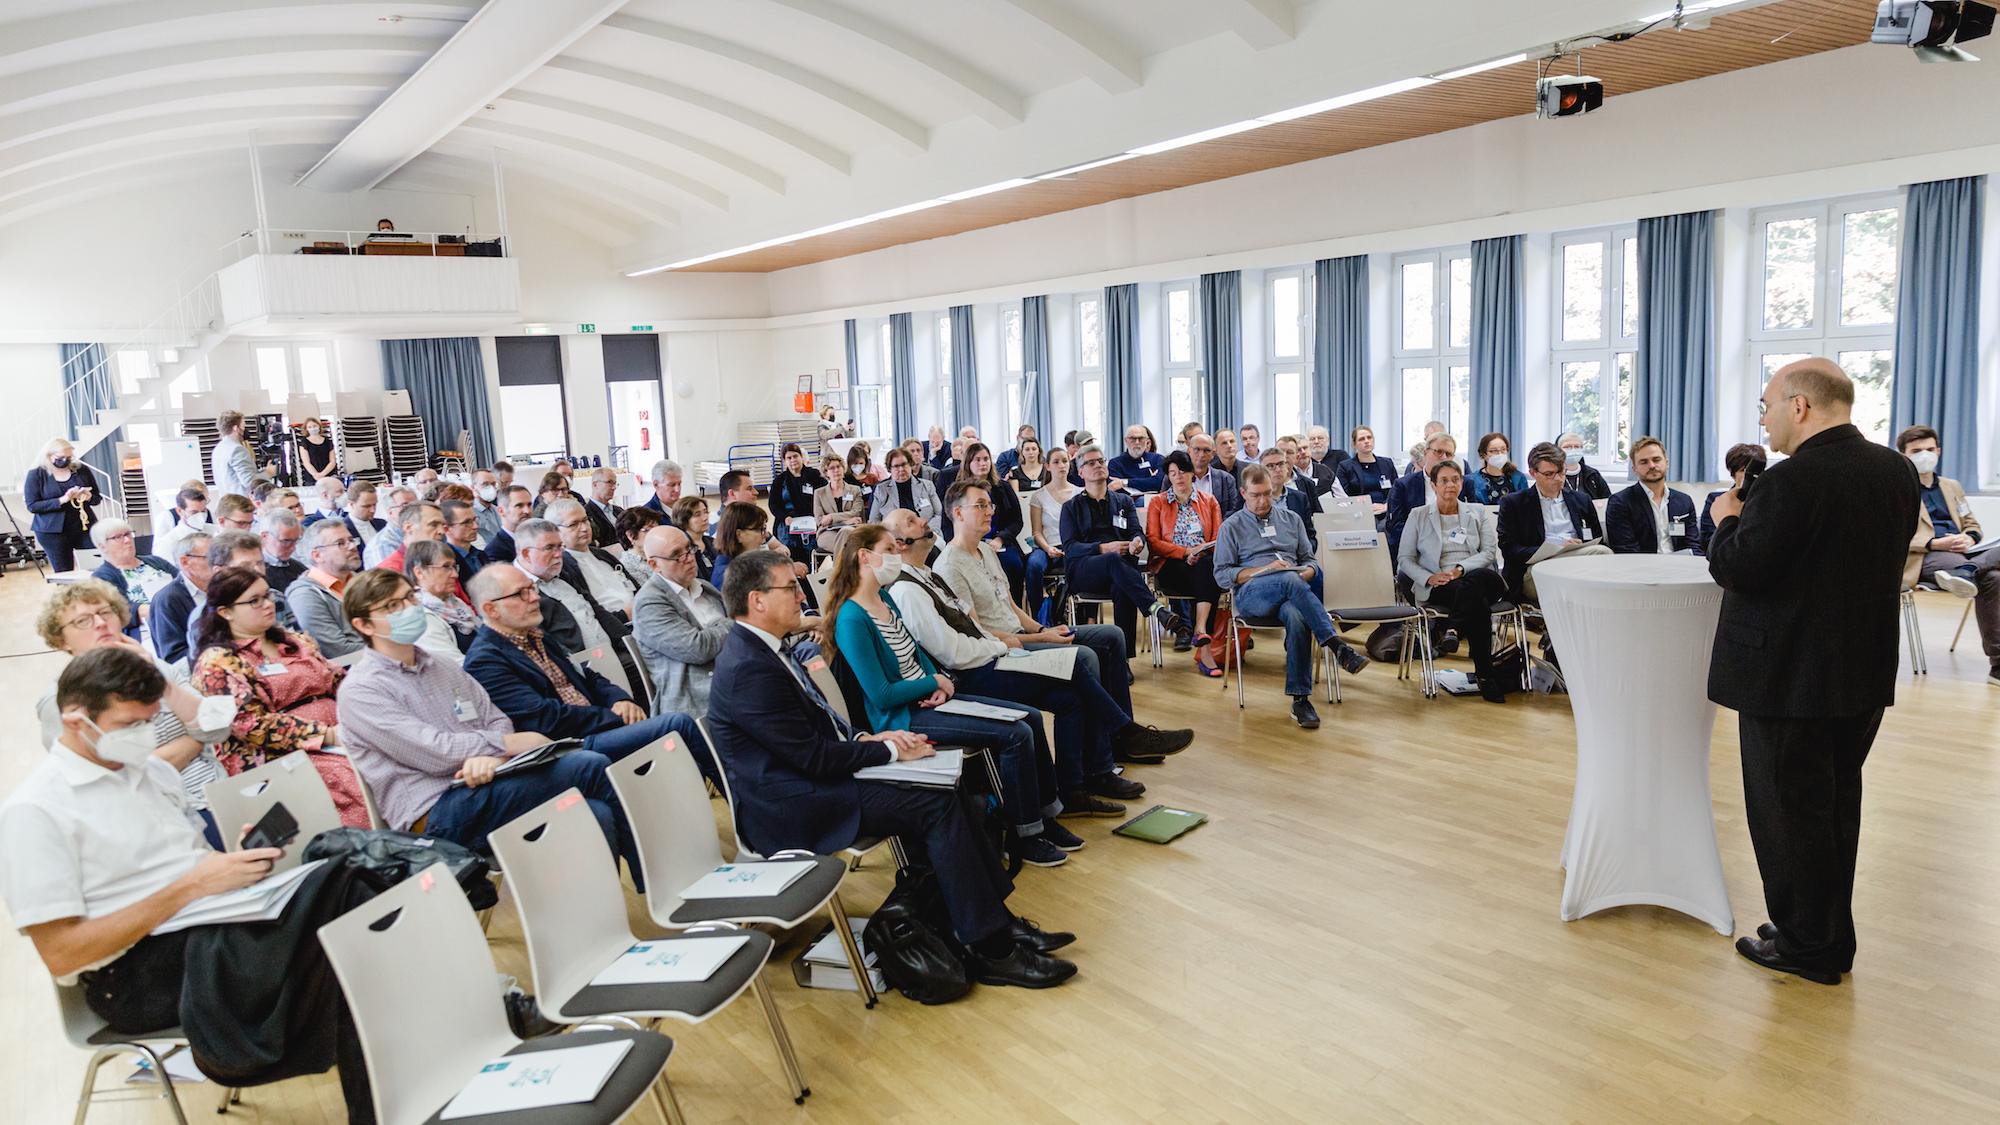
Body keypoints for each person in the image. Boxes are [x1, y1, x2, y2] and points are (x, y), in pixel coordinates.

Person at [2, 646, 377, 1119]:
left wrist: (232, 867)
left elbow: (193, 868)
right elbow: (64, 953)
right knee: (347, 911)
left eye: (147, 722)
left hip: (210, 927)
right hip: (136, 976)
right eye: (127, 726)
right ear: (75, 721)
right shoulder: (35, 812)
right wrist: (193, 887)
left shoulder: (152, 772)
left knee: (352, 883)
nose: (143, 736)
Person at [705, 550, 1078, 986]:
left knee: (951, 786)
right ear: (758, 601)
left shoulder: (761, 649)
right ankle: (992, 948)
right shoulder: (749, 666)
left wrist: (869, 739)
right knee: (935, 802)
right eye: (789, 588)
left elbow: (814, 734)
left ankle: (991, 924)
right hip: (793, 805)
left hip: (812, 780)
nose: (799, 595)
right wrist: (890, 753)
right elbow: (814, 759)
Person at [1705, 358, 1919, 985]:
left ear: (1799, 405)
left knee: (1787, 814)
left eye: (1767, 404)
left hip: (1787, 676)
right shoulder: (1896, 470)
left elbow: (1744, 568)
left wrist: (1726, 521)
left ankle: (1808, 946)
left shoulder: (1791, 482)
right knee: (1832, 807)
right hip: (1859, 673)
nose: (1764, 418)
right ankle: (1822, 928)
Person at [335, 569, 643, 880]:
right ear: (363, 624)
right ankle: (655, 877)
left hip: (492, 777)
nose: (409, 609)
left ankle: (598, 913)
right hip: (435, 811)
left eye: (410, 598)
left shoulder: (439, 665)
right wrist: (503, 746)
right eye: (392, 607)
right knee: (587, 765)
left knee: (595, 811)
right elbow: (434, 751)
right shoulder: (362, 690)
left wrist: (493, 756)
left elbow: (495, 718)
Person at [886, 505, 1167, 816]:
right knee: (1077, 661)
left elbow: (979, 623)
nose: (989, 510)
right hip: (975, 670)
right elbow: (951, 652)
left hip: (993, 651)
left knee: (1072, 695)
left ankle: (1075, 788)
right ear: (900, 543)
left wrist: (1033, 632)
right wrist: (1005, 644)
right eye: (912, 521)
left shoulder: (930, 574)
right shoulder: (912, 587)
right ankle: (1126, 734)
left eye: (989, 504)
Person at [825, 525, 1069, 867]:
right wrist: (933, 682)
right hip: (904, 715)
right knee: (1016, 734)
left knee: (1029, 715)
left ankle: (1045, 816)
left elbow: (915, 652)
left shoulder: (884, 597)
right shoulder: (852, 618)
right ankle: (1026, 834)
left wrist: (937, 681)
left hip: (929, 698)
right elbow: (881, 695)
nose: (896, 557)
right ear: (865, 557)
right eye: (889, 550)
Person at [35, 581, 236, 842]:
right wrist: (196, 738)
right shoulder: (60, 698)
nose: (100, 623)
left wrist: (157, 678)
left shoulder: (156, 666)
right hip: (151, 817)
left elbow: (219, 729)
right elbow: (110, 777)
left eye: (106, 612)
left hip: (218, 788)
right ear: (62, 640)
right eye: (83, 621)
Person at [462, 563, 708, 764]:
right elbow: (546, 719)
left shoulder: (536, 635)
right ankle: (740, 804)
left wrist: (618, 699)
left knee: (676, 724)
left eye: (531, 589)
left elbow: (587, 676)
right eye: (521, 593)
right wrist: (612, 716)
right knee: (677, 723)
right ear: (491, 609)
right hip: (569, 744)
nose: (535, 597)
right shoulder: (486, 660)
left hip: (595, 726)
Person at [191, 565, 367, 827]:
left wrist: (365, 715)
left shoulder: (292, 642)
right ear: (225, 612)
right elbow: (249, 723)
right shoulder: (217, 662)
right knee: (351, 779)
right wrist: (326, 735)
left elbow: (337, 679)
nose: (267, 605)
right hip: (281, 756)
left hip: (343, 731)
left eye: (268, 596)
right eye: (254, 601)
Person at [1216, 466, 1369, 730]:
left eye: (1267, 494)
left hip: (1292, 588)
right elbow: (1221, 575)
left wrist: (1308, 571)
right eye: (1256, 495)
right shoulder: (1231, 526)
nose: (1263, 501)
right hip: (1253, 593)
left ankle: (1301, 699)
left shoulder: (1292, 520)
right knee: (1288, 578)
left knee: (1297, 615)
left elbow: (1310, 562)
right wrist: (1263, 571)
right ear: (1243, 493)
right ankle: (1335, 645)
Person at [1397, 461, 1510, 703]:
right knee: (1474, 599)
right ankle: (1485, 675)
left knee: (1475, 581)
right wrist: (1428, 577)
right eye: (1445, 480)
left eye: (1456, 479)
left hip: (1479, 574)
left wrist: (1461, 569)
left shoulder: (1477, 511)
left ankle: (1454, 629)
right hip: (1440, 583)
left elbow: (1489, 552)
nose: (1451, 485)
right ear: (1434, 485)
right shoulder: (1418, 515)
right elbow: (1404, 559)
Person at [1060, 444, 1190, 648]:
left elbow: (1136, 532)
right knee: (1114, 561)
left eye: (1101, 461)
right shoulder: (1071, 507)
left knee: (1123, 586)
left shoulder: (1124, 502)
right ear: (1081, 471)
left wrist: (1138, 542)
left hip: (1120, 571)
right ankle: (1156, 609)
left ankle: (1124, 659)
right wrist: (1103, 548)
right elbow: (1070, 548)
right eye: (1091, 463)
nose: (1098, 465)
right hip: (1085, 572)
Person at [1895, 425, 1995, 683]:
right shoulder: (1897, 488)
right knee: (1993, 578)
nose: (1925, 455)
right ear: (1904, 455)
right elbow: (1892, 533)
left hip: (1962, 552)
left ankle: (1968, 571)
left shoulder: (1952, 486)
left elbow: (1972, 524)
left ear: (1938, 451)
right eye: (1916, 451)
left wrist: (1968, 537)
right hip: (1926, 555)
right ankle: (1999, 665)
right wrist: (1933, 543)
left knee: (1983, 566)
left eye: (1929, 449)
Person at [630, 525, 731, 722]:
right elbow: (698, 648)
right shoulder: (649, 603)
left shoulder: (705, 587)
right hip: (696, 693)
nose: (689, 557)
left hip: (732, 671)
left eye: (689, 548)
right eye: (677, 555)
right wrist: (736, 622)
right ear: (654, 565)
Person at [1495, 442, 1611, 603]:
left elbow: (1597, 537)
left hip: (1577, 563)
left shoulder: (1581, 500)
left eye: (1561, 472)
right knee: (1600, 554)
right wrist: (1555, 548)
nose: (1558, 479)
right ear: (1533, 473)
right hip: (1536, 569)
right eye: (1549, 474)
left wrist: (1578, 545)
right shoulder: (1514, 503)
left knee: (1602, 554)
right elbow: (1509, 549)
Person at [1145, 452, 1225, 677]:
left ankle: (1199, 632)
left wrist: (1199, 553)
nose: (1178, 477)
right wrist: (1185, 553)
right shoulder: (1158, 503)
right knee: (1209, 579)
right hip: (1171, 566)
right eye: (1172, 473)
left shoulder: (1209, 501)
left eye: (1182, 471)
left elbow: (1218, 538)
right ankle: (1204, 648)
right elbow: (1154, 542)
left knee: (1207, 567)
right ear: (1168, 477)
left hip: (1203, 563)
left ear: (1192, 474)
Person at [511, 517, 630, 662]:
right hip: (583, 670)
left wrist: (630, 645)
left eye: (560, 546)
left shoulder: (562, 574)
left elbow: (598, 612)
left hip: (612, 654)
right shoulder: (515, 592)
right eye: (549, 548)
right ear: (526, 554)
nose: (558, 554)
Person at [948, 442, 1027, 598]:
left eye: (986, 459)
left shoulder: (1003, 487)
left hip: (1000, 542)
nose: (983, 463)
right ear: (968, 463)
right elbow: (949, 523)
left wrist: (1000, 539)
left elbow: (1017, 521)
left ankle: (1014, 611)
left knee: (1013, 565)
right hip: (969, 543)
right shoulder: (958, 491)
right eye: (977, 460)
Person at [284, 518, 366, 659]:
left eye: (351, 540)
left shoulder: (360, 581)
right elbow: (338, 652)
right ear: (317, 555)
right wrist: (394, 649)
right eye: (341, 543)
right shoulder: (305, 595)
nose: (352, 546)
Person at [1606, 436, 1703, 556]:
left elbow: (1693, 545)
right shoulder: (1620, 502)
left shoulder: (1684, 501)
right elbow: (1626, 550)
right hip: (1642, 569)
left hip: (1681, 566)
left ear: (1666, 463)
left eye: (1656, 460)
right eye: (1644, 462)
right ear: (1634, 469)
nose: (1652, 465)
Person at [547, 497, 640, 616]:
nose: (585, 528)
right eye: (573, 524)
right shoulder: (562, 568)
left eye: (585, 520)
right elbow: (590, 615)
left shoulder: (602, 554)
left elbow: (636, 589)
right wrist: (625, 615)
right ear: (555, 531)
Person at [86, 519, 176, 639]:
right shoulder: (102, 577)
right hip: (144, 632)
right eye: (118, 537)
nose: (128, 540)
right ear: (102, 546)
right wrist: (161, 610)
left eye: (128, 534)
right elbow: (119, 611)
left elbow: (184, 583)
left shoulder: (155, 562)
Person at [23, 437, 102, 572]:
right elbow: (32, 506)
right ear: (49, 456)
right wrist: (63, 500)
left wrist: (88, 496)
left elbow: (97, 498)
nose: (66, 460)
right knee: (64, 572)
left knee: (95, 567)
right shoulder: (36, 474)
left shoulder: (81, 470)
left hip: (84, 527)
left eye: (69, 457)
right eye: (61, 457)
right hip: (52, 532)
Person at [404, 539, 481, 662]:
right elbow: (456, 666)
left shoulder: (455, 603)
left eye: (454, 567)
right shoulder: (420, 618)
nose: (455, 574)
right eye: (446, 567)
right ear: (419, 572)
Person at [1387, 433, 1460, 560]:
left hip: (1455, 550)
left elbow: (1469, 524)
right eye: (1439, 452)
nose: (1443, 458)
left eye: (1448, 454)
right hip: (1417, 551)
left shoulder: (1463, 484)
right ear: (1426, 453)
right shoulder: (1403, 485)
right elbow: (1395, 526)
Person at [1024, 446, 1075, 623]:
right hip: (1046, 545)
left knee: (1081, 563)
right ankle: (1039, 618)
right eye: (1056, 462)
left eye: (1065, 461)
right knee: (1033, 565)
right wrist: (1048, 548)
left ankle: (1077, 614)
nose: (1062, 466)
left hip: (1072, 545)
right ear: (1047, 466)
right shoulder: (1038, 496)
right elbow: (1036, 532)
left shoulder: (1079, 493)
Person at [149, 527, 212, 666]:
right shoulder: (167, 599)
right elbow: (173, 656)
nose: (218, 563)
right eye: (210, 557)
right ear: (185, 562)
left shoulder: (222, 589)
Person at [1701, 443, 1768, 547]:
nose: (1749, 476)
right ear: (1733, 473)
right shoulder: (1716, 500)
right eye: (1743, 470)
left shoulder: (1767, 501)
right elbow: (1707, 541)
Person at [770, 442, 826, 564]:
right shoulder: (779, 481)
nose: (793, 460)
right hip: (789, 520)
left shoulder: (814, 475)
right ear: (784, 461)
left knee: (814, 549)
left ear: (801, 457)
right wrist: (784, 517)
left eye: (795, 456)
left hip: (812, 519)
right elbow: (773, 505)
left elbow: (825, 497)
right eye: (789, 458)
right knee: (790, 548)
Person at [869, 446, 944, 534]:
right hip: (895, 540)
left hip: (928, 534)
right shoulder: (881, 490)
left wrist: (926, 531)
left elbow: (939, 513)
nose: (901, 469)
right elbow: (874, 521)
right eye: (896, 466)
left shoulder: (927, 486)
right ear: (890, 469)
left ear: (911, 465)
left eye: (904, 464)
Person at [1260, 448, 1323, 552]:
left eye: (1281, 464)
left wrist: (1303, 554)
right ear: (1262, 471)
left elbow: (1310, 537)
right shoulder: (1256, 499)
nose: (1277, 469)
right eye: (1271, 466)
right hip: (1265, 557)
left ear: (1287, 467)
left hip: (1297, 557)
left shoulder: (1300, 498)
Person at [1333, 425, 1397, 524]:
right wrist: (1364, 506)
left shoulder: (1387, 463)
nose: (1366, 441)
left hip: (1386, 511)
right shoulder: (1345, 466)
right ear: (1354, 444)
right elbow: (1342, 496)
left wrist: (1386, 505)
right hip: (1359, 513)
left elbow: (1395, 489)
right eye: (1361, 439)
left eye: (1369, 437)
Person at [813, 451, 867, 560]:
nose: (836, 470)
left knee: (846, 532)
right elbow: (820, 520)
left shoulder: (854, 490)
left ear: (843, 468)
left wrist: (831, 517)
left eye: (838, 466)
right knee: (848, 545)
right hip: (827, 533)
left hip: (853, 530)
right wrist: (845, 521)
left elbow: (856, 512)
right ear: (826, 472)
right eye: (832, 468)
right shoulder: (819, 493)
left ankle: (838, 574)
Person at [211, 410, 272, 500]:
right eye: (243, 426)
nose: (245, 429)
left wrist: (261, 472)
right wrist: (268, 473)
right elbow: (249, 481)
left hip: (227, 501)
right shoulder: (237, 449)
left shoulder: (218, 449)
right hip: (242, 503)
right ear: (236, 428)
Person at [375, 500, 444, 579]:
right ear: (408, 527)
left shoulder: (443, 562)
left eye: (443, 525)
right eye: (433, 525)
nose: (442, 531)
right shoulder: (390, 573)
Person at [1185, 432, 1243, 517]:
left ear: (1213, 454)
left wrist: (1217, 527)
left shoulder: (1226, 479)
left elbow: (1233, 511)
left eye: (1206, 450)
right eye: (1197, 449)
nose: (1201, 455)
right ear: (1189, 451)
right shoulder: (1176, 477)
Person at [1467, 433, 1530, 506]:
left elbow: (1526, 505)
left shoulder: (1518, 478)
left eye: (1503, 449)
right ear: (1483, 454)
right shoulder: (1472, 480)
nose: (1500, 454)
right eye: (1494, 451)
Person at [154, 486, 212, 565]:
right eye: (194, 512)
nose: (200, 517)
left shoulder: (216, 531)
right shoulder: (168, 543)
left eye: (203, 511)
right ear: (180, 511)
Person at [362, 484, 416, 568]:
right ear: (390, 512)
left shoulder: (419, 534)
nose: (414, 510)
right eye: (405, 506)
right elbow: (388, 579)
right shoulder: (383, 545)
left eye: (416, 505)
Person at [438, 498, 486, 587]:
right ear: (446, 529)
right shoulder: (445, 563)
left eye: (474, 520)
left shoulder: (481, 555)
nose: (475, 526)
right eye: (467, 523)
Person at [1106, 424, 1166, 494]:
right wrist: (1148, 481)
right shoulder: (1115, 463)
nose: (1137, 442)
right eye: (1132, 438)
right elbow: (1115, 488)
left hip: (1153, 500)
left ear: (1147, 441)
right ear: (1126, 440)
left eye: (1141, 438)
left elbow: (1158, 483)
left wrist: (1124, 482)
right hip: (1126, 502)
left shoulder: (1158, 459)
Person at [484, 483, 532, 565]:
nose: (527, 511)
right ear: (501, 511)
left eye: (529, 505)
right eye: (519, 506)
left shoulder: (537, 538)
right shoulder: (495, 551)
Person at [673, 495, 719, 581]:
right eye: (697, 515)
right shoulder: (682, 550)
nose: (705, 518)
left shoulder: (713, 542)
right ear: (684, 520)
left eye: (705, 512)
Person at [614, 506, 663, 584]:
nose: (656, 534)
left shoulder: (660, 553)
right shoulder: (628, 566)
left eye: (656, 529)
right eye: (648, 530)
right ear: (630, 535)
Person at [1556, 432, 1612, 500]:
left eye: (1577, 447)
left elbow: (1607, 500)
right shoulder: (1553, 475)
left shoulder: (1593, 475)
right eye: (1567, 447)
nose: (1573, 450)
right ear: (1558, 450)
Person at [343, 480, 384, 548]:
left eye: (374, 504)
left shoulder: (383, 524)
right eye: (366, 506)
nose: (372, 510)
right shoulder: (342, 530)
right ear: (351, 504)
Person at [297, 418, 337, 483]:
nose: (312, 428)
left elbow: (332, 461)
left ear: (319, 426)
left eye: (314, 426)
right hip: (312, 477)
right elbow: (306, 462)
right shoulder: (304, 442)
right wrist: (316, 475)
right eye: (310, 427)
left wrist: (322, 474)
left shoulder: (328, 441)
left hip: (329, 475)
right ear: (306, 429)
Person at [470, 467, 503, 542]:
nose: (491, 488)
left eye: (493, 484)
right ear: (473, 488)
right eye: (485, 484)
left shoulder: (497, 510)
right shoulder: (470, 512)